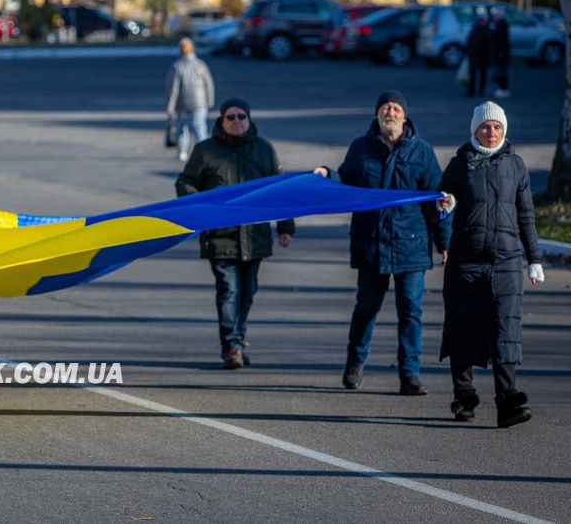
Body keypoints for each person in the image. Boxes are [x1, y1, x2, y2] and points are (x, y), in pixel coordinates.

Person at [316, 91, 449, 395]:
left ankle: (410, 373)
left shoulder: (422, 153)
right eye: (385, 108)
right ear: (377, 114)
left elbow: (436, 202)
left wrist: (444, 241)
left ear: (405, 116)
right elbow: (345, 182)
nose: (390, 112)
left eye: (396, 108)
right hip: (371, 244)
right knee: (366, 309)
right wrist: (327, 174)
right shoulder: (360, 148)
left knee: (411, 312)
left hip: (410, 244)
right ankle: (354, 364)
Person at [438, 102, 544, 428]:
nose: (491, 132)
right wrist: (445, 210)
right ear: (474, 130)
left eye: (497, 126)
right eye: (485, 126)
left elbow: (526, 215)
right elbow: (440, 205)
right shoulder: (459, 165)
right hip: (465, 261)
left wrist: (534, 258)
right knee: (463, 328)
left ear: (504, 130)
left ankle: (507, 402)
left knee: (505, 329)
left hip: (507, 262)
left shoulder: (516, 165)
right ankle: (464, 397)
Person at [175, 98, 294, 369]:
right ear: (222, 121)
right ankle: (231, 347)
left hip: (255, 236)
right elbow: (185, 181)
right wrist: (201, 205)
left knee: (248, 292)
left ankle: (237, 341)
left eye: (242, 116)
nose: (237, 121)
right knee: (229, 290)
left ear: (249, 119)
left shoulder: (263, 149)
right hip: (221, 236)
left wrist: (286, 227)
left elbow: (280, 191)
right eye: (231, 117)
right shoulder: (206, 151)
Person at [165, 38, 215, 160]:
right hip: (200, 102)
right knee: (200, 128)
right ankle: (203, 153)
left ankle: (182, 152)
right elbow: (208, 84)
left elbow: (173, 89)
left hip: (182, 104)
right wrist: (210, 100)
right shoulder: (201, 64)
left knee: (183, 130)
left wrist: (170, 106)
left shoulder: (177, 66)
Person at [465, 15, 490, 98]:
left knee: (482, 74)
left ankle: (481, 90)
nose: (483, 22)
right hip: (474, 56)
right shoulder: (476, 30)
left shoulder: (486, 31)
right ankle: (472, 90)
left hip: (483, 56)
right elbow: (469, 42)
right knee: (473, 74)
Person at [488, 8, 511, 99]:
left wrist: (501, 53)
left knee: (501, 72)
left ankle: (503, 89)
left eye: (496, 15)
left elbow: (501, 40)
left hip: (501, 53)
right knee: (500, 71)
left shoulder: (501, 25)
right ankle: (502, 88)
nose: (494, 17)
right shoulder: (499, 24)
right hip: (500, 52)